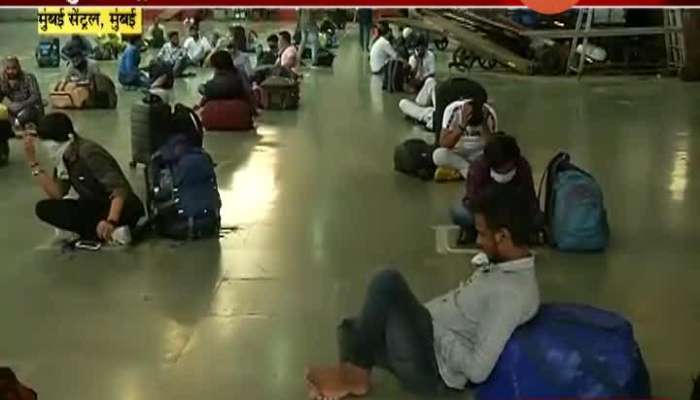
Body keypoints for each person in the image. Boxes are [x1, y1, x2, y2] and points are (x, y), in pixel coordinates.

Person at [304, 184, 540, 400]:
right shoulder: (502, 269)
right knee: (349, 328)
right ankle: (355, 374)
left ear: (503, 236)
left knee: (387, 282)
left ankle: (354, 375)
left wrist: (433, 327)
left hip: (432, 368)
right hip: (425, 340)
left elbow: (477, 371)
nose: (478, 240)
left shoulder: (511, 295)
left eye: (482, 233)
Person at [22, 113, 145, 245]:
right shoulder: (64, 158)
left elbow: (119, 189)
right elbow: (57, 194)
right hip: (95, 204)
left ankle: (107, 229)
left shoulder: (88, 152)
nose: (48, 148)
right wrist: (33, 163)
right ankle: (109, 233)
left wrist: (111, 221)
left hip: (121, 207)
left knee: (83, 216)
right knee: (44, 208)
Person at [452, 134, 542, 243]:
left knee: (538, 218)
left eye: (508, 168)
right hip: (486, 211)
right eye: (500, 169)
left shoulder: (523, 167)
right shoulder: (478, 168)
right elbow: (472, 200)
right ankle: (473, 230)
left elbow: (530, 199)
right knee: (460, 214)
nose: (504, 171)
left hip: (514, 212)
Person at [433, 97, 497, 181]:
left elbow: (493, 146)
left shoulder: (490, 113)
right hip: (458, 153)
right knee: (438, 155)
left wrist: (484, 124)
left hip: (480, 153)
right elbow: (444, 143)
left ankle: (462, 172)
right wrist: (462, 126)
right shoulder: (452, 110)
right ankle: (472, 172)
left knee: (500, 156)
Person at [399, 76, 488, 132]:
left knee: (402, 103)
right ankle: (420, 102)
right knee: (430, 81)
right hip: (445, 107)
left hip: (433, 116)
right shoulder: (477, 110)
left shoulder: (461, 125)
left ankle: (419, 105)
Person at [0, 56, 44, 129]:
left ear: (19, 67)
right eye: (8, 68)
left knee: (29, 112)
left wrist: (21, 105)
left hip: (29, 108)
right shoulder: (3, 79)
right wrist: (9, 105)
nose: (11, 71)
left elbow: (35, 96)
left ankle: (16, 123)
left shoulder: (28, 77)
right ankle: (16, 123)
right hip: (12, 110)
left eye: (14, 68)